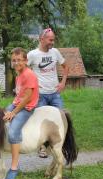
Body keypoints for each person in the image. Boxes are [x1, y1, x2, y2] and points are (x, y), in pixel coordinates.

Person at [27, 28, 69, 158]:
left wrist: (63, 83)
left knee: (62, 119)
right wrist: (31, 85)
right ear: (42, 39)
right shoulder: (32, 54)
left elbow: (66, 66)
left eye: (53, 39)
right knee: (41, 121)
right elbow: (23, 71)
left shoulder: (55, 52)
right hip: (40, 95)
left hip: (55, 93)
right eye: (50, 40)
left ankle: (60, 145)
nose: (52, 42)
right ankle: (42, 148)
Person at [3, 47, 39, 179]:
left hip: (27, 107)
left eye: (19, 60)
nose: (16, 63)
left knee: (13, 132)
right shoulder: (19, 74)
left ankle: (14, 167)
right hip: (17, 103)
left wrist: (13, 113)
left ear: (25, 61)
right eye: (13, 60)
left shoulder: (29, 75)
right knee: (0, 117)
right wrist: (10, 109)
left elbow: (28, 98)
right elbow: (19, 95)